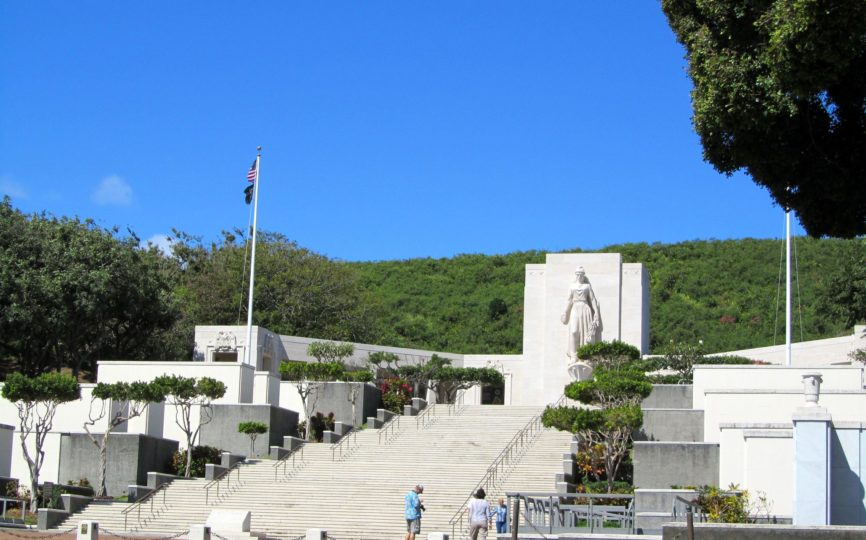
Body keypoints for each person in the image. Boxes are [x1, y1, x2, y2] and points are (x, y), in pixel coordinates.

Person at [561, 266, 603, 358]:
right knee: (574, 331)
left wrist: (596, 312)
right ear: (575, 275)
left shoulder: (587, 286)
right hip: (575, 308)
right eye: (578, 274)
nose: (579, 276)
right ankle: (574, 355)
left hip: (585, 308)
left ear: (584, 275)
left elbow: (592, 299)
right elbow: (569, 300)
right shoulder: (572, 286)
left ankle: (586, 355)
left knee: (586, 332)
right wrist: (565, 312)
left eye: (581, 274)